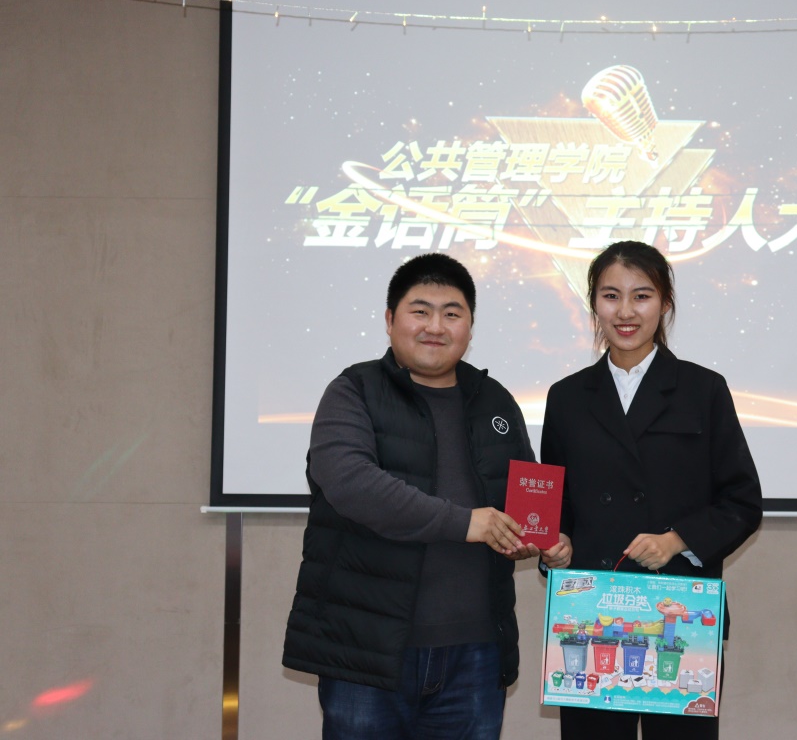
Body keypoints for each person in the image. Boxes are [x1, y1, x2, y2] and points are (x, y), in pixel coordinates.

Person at [282, 253, 537, 740]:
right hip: (366, 650)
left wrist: (542, 538)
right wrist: (467, 523)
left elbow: (523, 499)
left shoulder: (496, 400)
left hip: (477, 653)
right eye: (420, 311)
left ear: (470, 326)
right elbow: (352, 483)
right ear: (390, 320)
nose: (435, 326)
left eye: (452, 313)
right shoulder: (353, 390)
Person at [540, 241, 763, 740]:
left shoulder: (703, 389)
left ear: (664, 303)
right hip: (592, 616)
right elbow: (559, 505)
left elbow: (742, 501)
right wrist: (556, 543)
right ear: (594, 304)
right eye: (610, 296)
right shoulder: (567, 397)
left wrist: (676, 540)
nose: (625, 312)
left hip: (678, 618)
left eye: (641, 296)